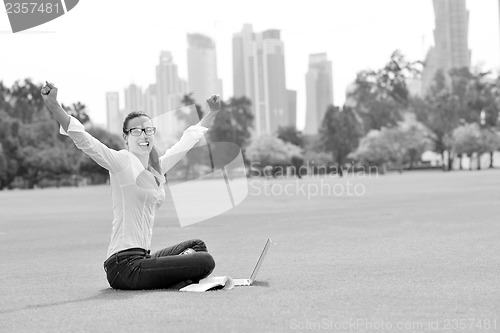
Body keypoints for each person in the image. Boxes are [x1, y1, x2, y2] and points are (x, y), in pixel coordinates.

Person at [41, 81, 220, 290]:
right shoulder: (121, 161)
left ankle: (178, 278)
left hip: (143, 257)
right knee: (205, 261)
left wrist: (212, 112)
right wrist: (54, 106)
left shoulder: (157, 168)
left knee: (197, 247)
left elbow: (186, 142)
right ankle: (180, 278)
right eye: (136, 131)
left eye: (148, 130)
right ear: (126, 137)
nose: (144, 135)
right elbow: (86, 141)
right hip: (123, 266)